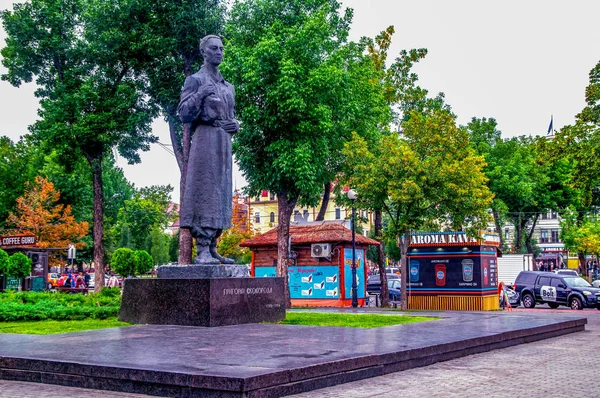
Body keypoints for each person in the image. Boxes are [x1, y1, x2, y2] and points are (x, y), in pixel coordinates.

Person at [178, 34, 239, 264]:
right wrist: (200, 94)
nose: (219, 52)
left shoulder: (228, 86)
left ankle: (213, 246)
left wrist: (236, 126)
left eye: (222, 49)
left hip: (223, 142)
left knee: (221, 193)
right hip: (204, 140)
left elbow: (231, 116)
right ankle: (201, 248)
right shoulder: (195, 80)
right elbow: (183, 113)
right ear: (204, 52)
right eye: (214, 48)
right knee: (205, 190)